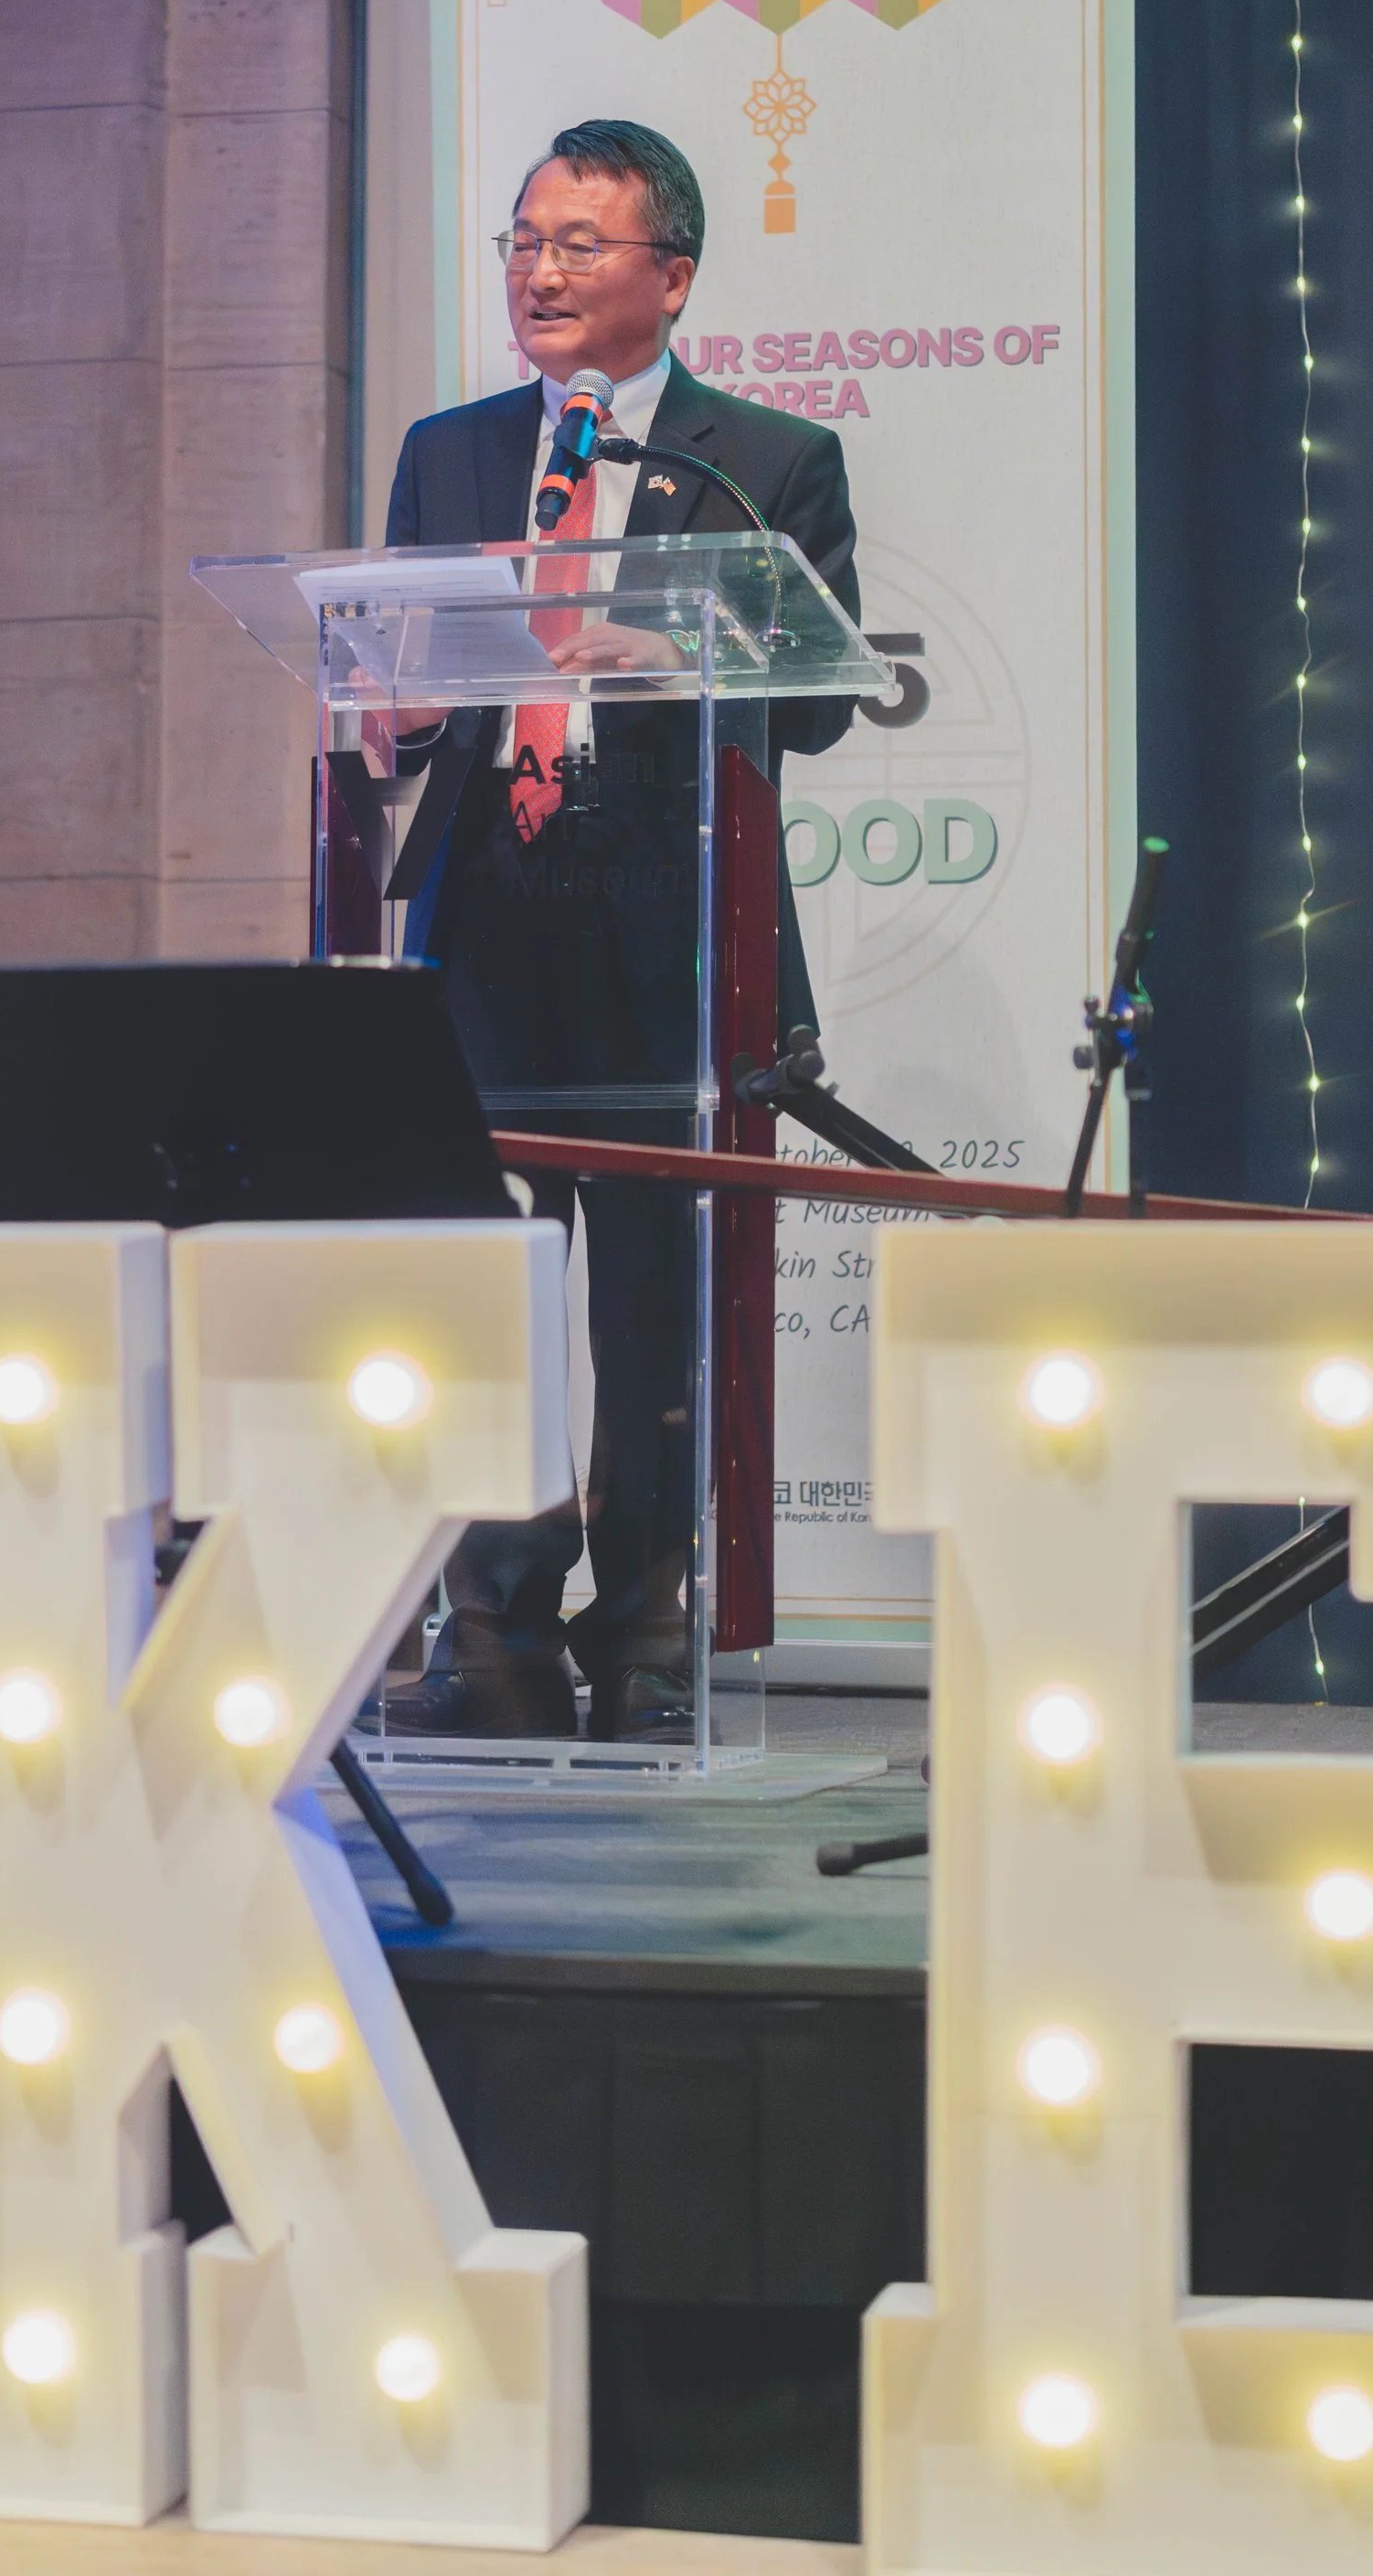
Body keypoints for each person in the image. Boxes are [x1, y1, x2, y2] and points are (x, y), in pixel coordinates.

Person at [382, 118, 860, 1740]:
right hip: (487, 921)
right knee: (483, 1283)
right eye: (524, 237)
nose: (540, 267)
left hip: (666, 917)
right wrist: (387, 713)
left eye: (581, 242)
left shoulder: (762, 460)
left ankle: (648, 1623)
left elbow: (823, 700)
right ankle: (493, 1623)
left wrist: (673, 659)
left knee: (653, 1290)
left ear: (673, 275)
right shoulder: (447, 449)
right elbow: (398, 652)